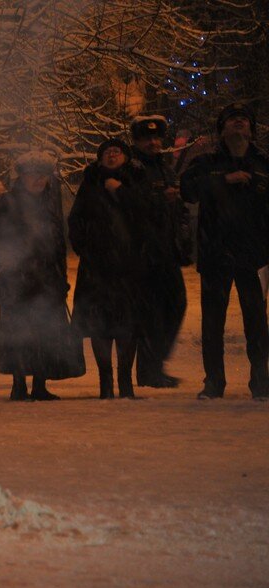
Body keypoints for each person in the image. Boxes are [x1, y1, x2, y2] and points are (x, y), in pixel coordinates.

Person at [180, 102, 269, 401]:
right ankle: (214, 383)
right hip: (215, 252)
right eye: (232, 119)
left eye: (244, 119)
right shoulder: (207, 161)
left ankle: (261, 383)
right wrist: (223, 180)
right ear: (222, 128)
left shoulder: (263, 162)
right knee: (212, 323)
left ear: (252, 129)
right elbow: (187, 190)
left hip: (255, 255)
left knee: (257, 322)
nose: (239, 123)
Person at [0, 151, 84, 401]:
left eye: (44, 175)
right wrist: (6, 267)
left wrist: (60, 276)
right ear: (23, 176)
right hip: (15, 282)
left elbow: (58, 243)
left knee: (45, 332)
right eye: (34, 175)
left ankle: (40, 383)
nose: (39, 180)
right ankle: (19, 384)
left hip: (47, 280)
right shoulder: (5, 203)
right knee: (18, 332)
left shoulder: (51, 204)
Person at [69, 139, 150, 399]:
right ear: (100, 158)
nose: (112, 155)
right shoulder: (91, 183)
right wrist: (87, 247)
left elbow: (147, 214)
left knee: (128, 324)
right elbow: (76, 219)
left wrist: (121, 192)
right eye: (107, 152)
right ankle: (106, 382)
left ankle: (125, 381)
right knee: (99, 324)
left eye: (117, 151)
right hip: (97, 267)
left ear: (125, 157)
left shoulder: (137, 181)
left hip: (130, 267)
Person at [129, 115, 192, 388]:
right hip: (142, 250)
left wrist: (182, 234)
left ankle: (155, 365)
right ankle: (148, 370)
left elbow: (177, 206)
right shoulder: (132, 168)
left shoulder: (165, 168)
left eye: (156, 138)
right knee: (151, 312)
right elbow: (129, 204)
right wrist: (158, 199)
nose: (154, 142)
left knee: (176, 303)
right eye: (147, 138)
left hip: (166, 248)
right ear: (137, 140)